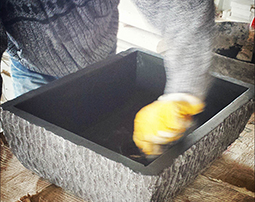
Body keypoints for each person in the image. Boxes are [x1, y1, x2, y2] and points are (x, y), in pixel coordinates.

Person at [0, 0, 215, 157]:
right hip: (34, 71)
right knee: (43, 154)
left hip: (101, 61)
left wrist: (182, 95)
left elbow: (178, 6)